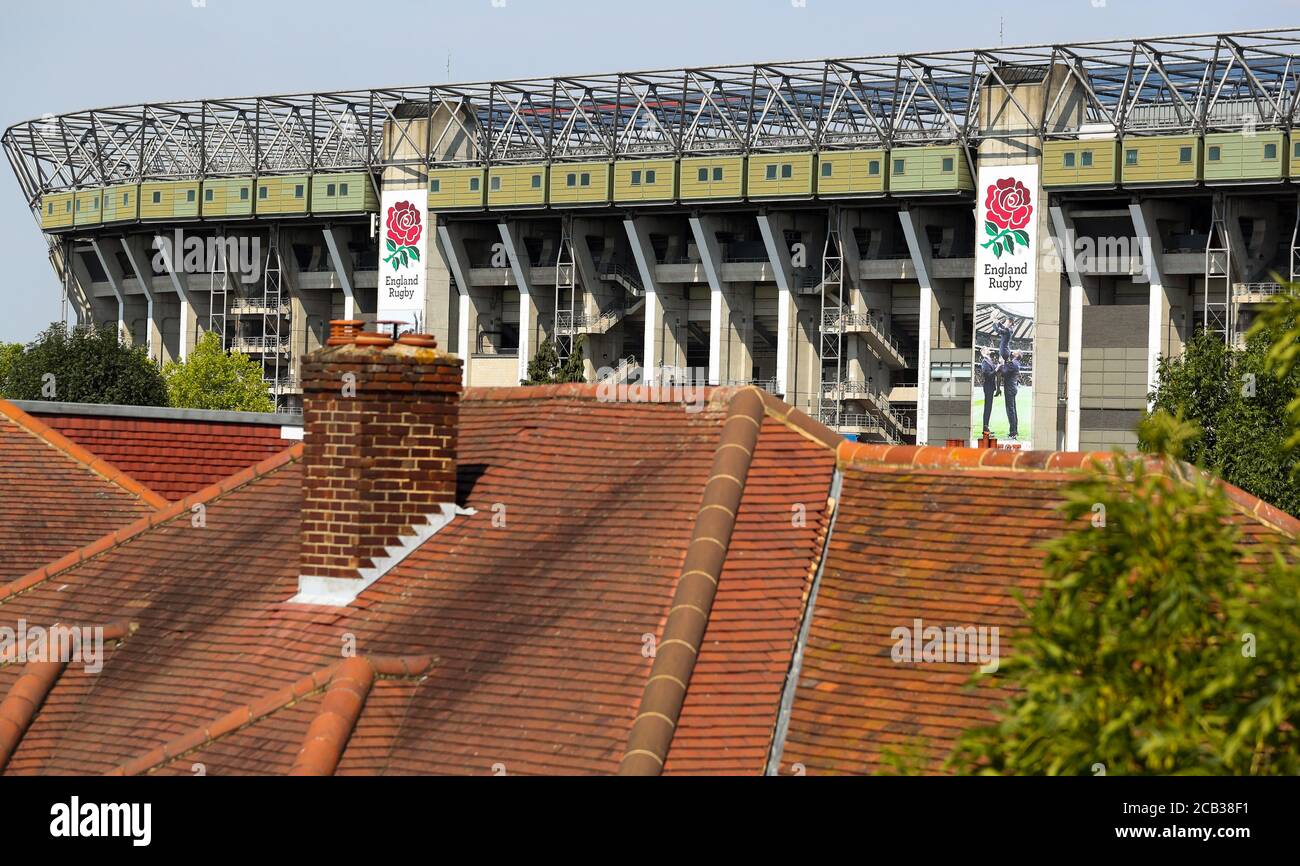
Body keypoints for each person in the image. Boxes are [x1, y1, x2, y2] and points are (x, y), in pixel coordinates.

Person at [1001, 350, 1022, 440]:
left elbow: (1004, 373)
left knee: (1010, 410)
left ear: (1017, 355)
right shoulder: (1016, 363)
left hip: (1009, 388)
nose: (1013, 351)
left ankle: (1012, 432)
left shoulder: (1013, 363)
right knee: (1013, 410)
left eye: (1016, 351)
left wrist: (1002, 364)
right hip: (1013, 388)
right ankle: (1014, 431)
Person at [978, 348, 999, 434]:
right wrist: (997, 369)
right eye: (987, 349)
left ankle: (986, 427)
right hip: (988, 387)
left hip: (990, 387)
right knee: (987, 407)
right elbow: (988, 375)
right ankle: (985, 428)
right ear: (983, 352)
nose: (989, 349)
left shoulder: (989, 360)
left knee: (989, 407)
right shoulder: (985, 362)